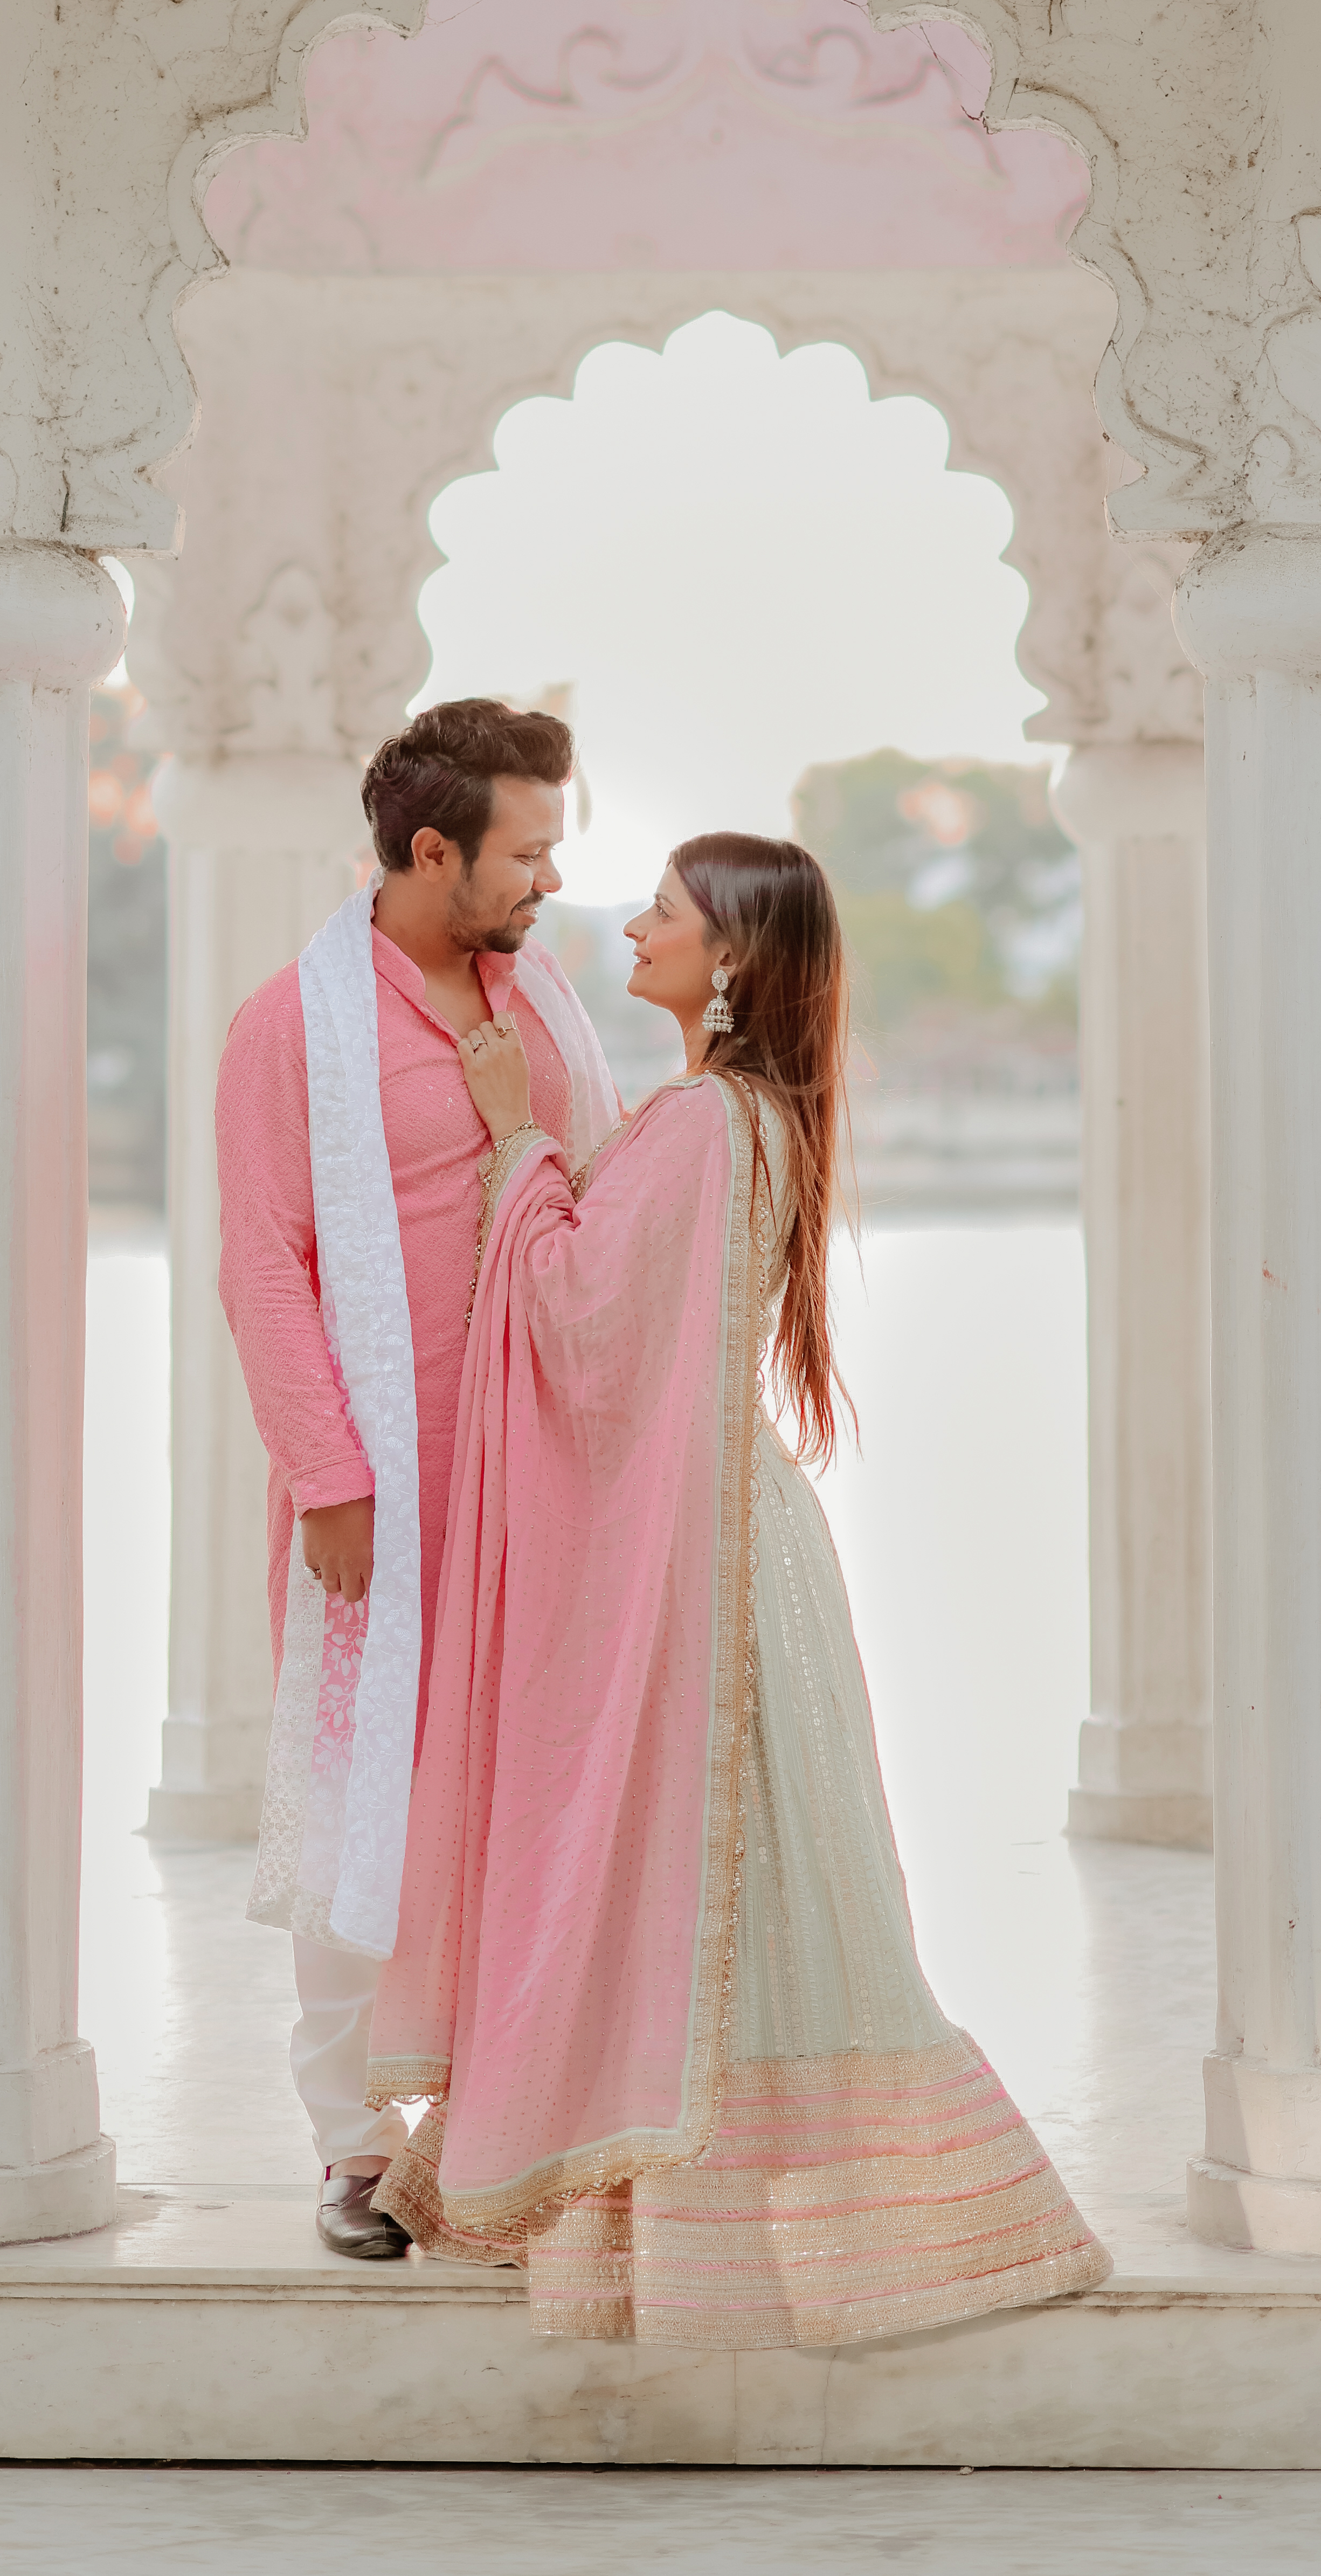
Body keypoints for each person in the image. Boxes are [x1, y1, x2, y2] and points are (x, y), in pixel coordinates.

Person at [369, 833, 1110, 2346]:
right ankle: (716, 2213)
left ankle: (700, 2221)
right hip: (742, 1536)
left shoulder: (712, 1122)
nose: (635, 926)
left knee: (709, 1882)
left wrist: (516, 1147)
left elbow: (586, 1321)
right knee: (739, 1892)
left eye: (667, 913)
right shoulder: (732, 1115)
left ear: (734, 959)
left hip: (718, 1560)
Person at [216, 698, 619, 2261]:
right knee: (358, 1798)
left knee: (521, 1789)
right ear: (430, 849)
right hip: (378, 1491)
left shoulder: (545, 999)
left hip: (542, 1476)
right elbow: (262, 1263)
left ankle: (503, 2125)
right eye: (526, 852)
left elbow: (590, 1187)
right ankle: (351, 2144)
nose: (552, 878)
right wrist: (329, 1475)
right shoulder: (292, 1028)